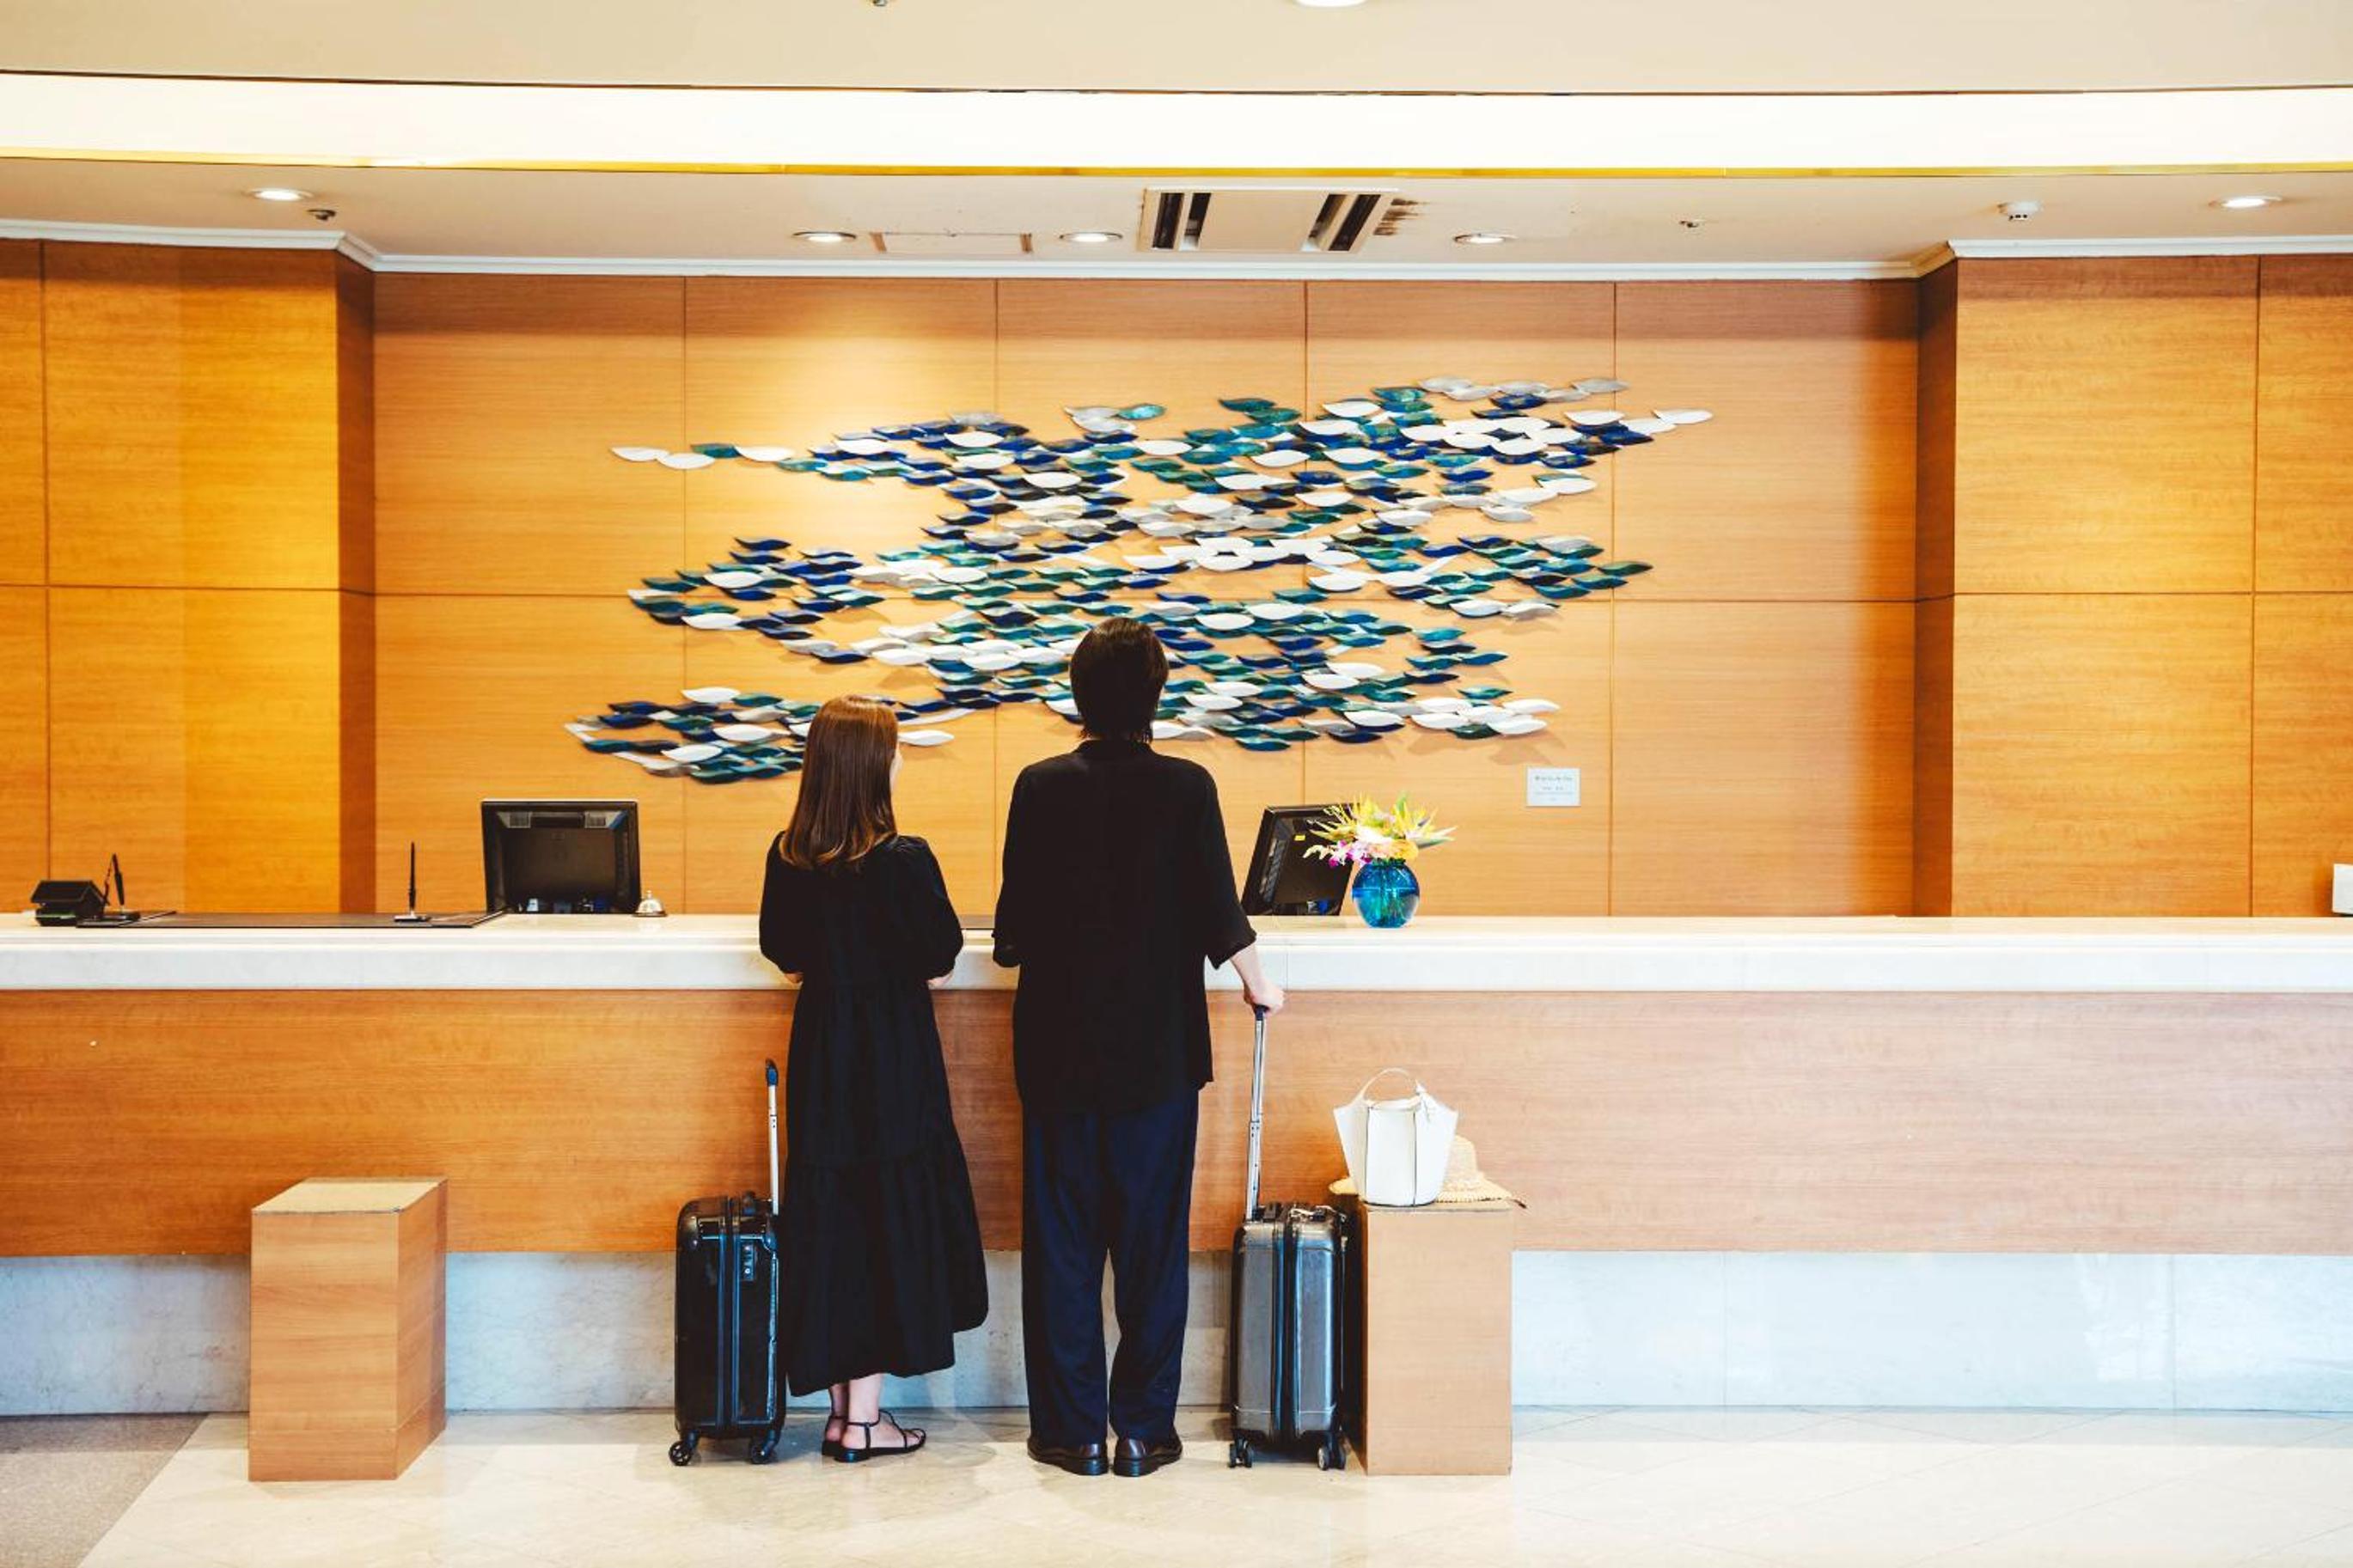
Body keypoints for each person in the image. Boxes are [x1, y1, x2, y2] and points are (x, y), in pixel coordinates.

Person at [993, 617, 1287, 1479]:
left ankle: (1071, 1432)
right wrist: (1258, 982)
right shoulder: (1187, 786)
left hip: (1056, 1052)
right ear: (1156, 696)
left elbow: (1012, 935)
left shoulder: (1038, 786)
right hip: (1156, 1055)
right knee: (1152, 1245)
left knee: (1062, 1247)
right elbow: (1220, 912)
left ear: (1077, 695)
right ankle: (1142, 1431)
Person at [757, 695, 987, 1462]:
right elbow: (940, 959)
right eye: (893, 749)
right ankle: (864, 1421)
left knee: (833, 1220)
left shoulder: (788, 856)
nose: (900, 760)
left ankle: (840, 1413)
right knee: (885, 1218)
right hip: (892, 1056)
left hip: (824, 1053)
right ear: (869, 765)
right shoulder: (903, 860)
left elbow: (787, 956)